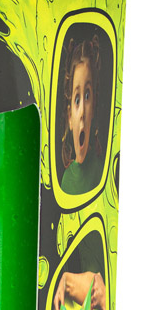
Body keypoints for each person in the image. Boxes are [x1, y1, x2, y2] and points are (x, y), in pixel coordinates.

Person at [59, 34, 106, 195]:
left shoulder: (100, 172)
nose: (82, 113)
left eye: (87, 96)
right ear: (69, 117)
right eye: (77, 100)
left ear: (93, 108)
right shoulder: (66, 180)